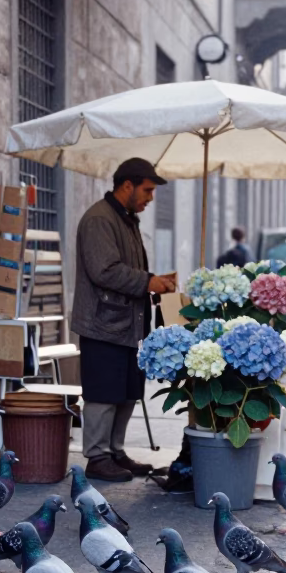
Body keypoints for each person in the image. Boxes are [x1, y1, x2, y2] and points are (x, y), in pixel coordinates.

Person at [72, 157, 176, 482]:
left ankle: (115, 452)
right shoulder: (98, 220)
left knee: (127, 391)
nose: (150, 197)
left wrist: (154, 281)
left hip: (128, 325)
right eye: (147, 190)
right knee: (103, 394)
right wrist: (148, 282)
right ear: (127, 185)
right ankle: (97, 456)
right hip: (102, 325)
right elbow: (104, 270)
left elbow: (125, 269)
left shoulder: (127, 219)